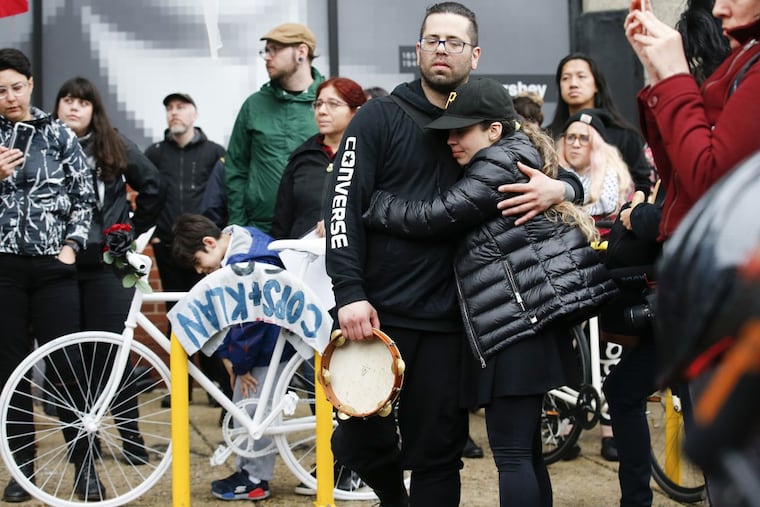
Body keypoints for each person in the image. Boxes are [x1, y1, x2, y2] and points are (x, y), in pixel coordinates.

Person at [323, 4, 583, 506]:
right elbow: (341, 208)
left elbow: (553, 164)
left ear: (475, 54)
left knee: (437, 455)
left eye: (454, 41)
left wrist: (564, 187)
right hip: (378, 317)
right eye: (433, 39)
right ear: (418, 48)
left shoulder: (480, 125)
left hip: (450, 324)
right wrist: (350, 293)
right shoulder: (378, 118)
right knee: (356, 441)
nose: (442, 48)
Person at [362, 77, 618, 507]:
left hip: (515, 323)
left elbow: (434, 216)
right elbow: (574, 180)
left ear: (494, 130)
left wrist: (374, 204)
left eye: (462, 130)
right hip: (524, 318)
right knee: (526, 453)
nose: (451, 140)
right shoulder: (514, 154)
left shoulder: (497, 166)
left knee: (513, 454)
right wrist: (567, 186)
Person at [626, 0, 760, 504]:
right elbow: (679, 173)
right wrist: (664, 77)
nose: (720, 5)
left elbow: (707, 180)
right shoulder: (743, 64)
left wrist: (674, 77)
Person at [0, 48, 99, 502]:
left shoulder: (57, 132)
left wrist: (71, 245)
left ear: (31, 84)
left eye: (16, 87)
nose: (9, 97)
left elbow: (84, 194)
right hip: (4, 269)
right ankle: (22, 472)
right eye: (0, 91)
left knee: (67, 369)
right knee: (11, 372)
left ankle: (85, 469)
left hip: (53, 267)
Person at [53, 76, 164, 467]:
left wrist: (128, 232)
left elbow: (153, 186)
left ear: (93, 110)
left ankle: (131, 438)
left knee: (110, 354)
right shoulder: (46, 143)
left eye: (82, 102)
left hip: (107, 265)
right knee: (67, 360)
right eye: (67, 100)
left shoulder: (112, 143)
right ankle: (82, 445)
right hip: (59, 266)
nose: (73, 108)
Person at [170, 213, 290, 502]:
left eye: (198, 262)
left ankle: (256, 478)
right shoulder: (243, 242)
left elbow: (251, 320)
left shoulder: (244, 263)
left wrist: (239, 362)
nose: (200, 271)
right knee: (244, 409)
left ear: (210, 243)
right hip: (263, 345)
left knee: (253, 412)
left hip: (267, 347)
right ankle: (247, 471)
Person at [145, 92, 228, 408]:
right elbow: (148, 193)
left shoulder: (214, 152)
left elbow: (222, 195)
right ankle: (180, 386)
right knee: (174, 317)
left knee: (211, 316)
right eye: (169, 108)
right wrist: (151, 232)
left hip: (204, 253)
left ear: (194, 114)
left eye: (181, 107)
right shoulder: (154, 153)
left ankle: (216, 387)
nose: (174, 113)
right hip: (168, 251)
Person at [225, 22, 325, 232]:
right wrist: (238, 225)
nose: (267, 57)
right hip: (260, 228)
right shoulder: (254, 105)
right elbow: (236, 168)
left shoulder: (329, 102)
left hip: (314, 230)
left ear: (301, 52)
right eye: (266, 50)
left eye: (275, 50)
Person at [270, 76, 366, 241]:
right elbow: (282, 222)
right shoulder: (302, 157)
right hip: (301, 257)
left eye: (333, 104)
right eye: (318, 104)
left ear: (356, 112)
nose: (322, 111)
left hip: (353, 255)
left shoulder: (368, 156)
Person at [548, 53, 652, 199]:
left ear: (597, 84)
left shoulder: (625, 136)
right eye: (565, 78)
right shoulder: (546, 137)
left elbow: (642, 184)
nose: (573, 84)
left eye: (581, 76)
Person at [557, 109, 634, 220]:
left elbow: (607, 206)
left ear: (596, 144)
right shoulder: (554, 171)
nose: (576, 144)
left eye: (584, 138)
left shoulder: (609, 172)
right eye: (571, 137)